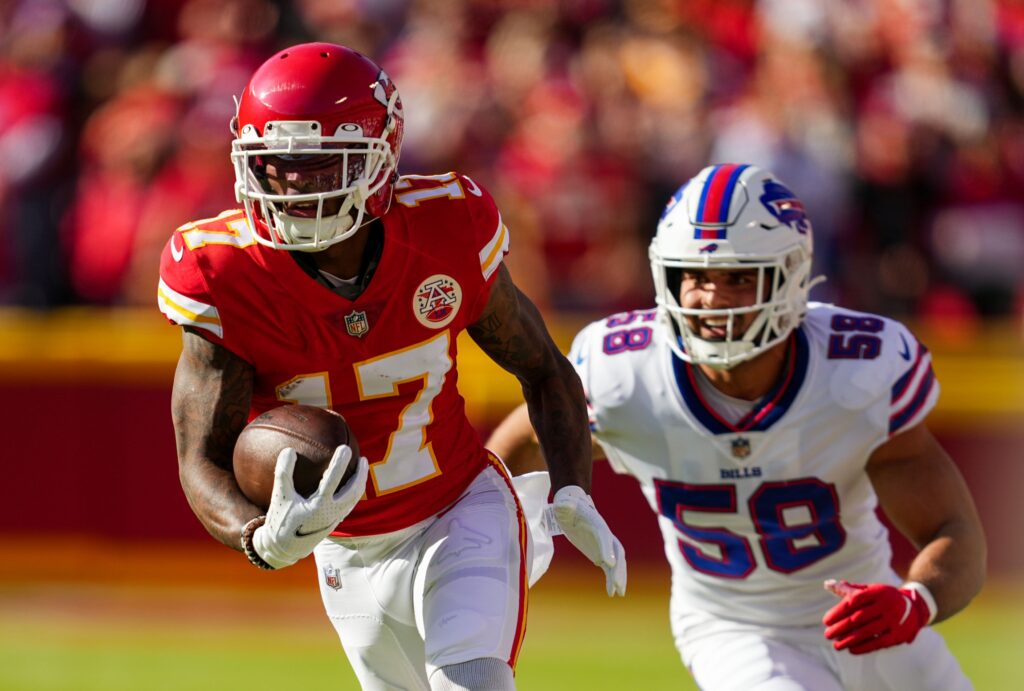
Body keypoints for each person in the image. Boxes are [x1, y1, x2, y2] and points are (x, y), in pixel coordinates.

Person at [157, 42, 626, 691]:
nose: (296, 184)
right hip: (345, 551)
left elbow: (543, 367)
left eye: (323, 165)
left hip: (460, 507)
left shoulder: (444, 225)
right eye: (280, 164)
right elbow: (200, 457)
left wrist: (571, 486)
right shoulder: (224, 269)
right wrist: (257, 536)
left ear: (380, 156)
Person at [486, 163, 986, 690]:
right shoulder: (623, 374)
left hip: (869, 609)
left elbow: (953, 530)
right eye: (696, 276)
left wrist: (917, 601)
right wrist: (482, 548)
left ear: (791, 278)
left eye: (740, 277)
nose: (712, 298)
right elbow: (520, 442)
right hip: (732, 629)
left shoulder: (855, 371)